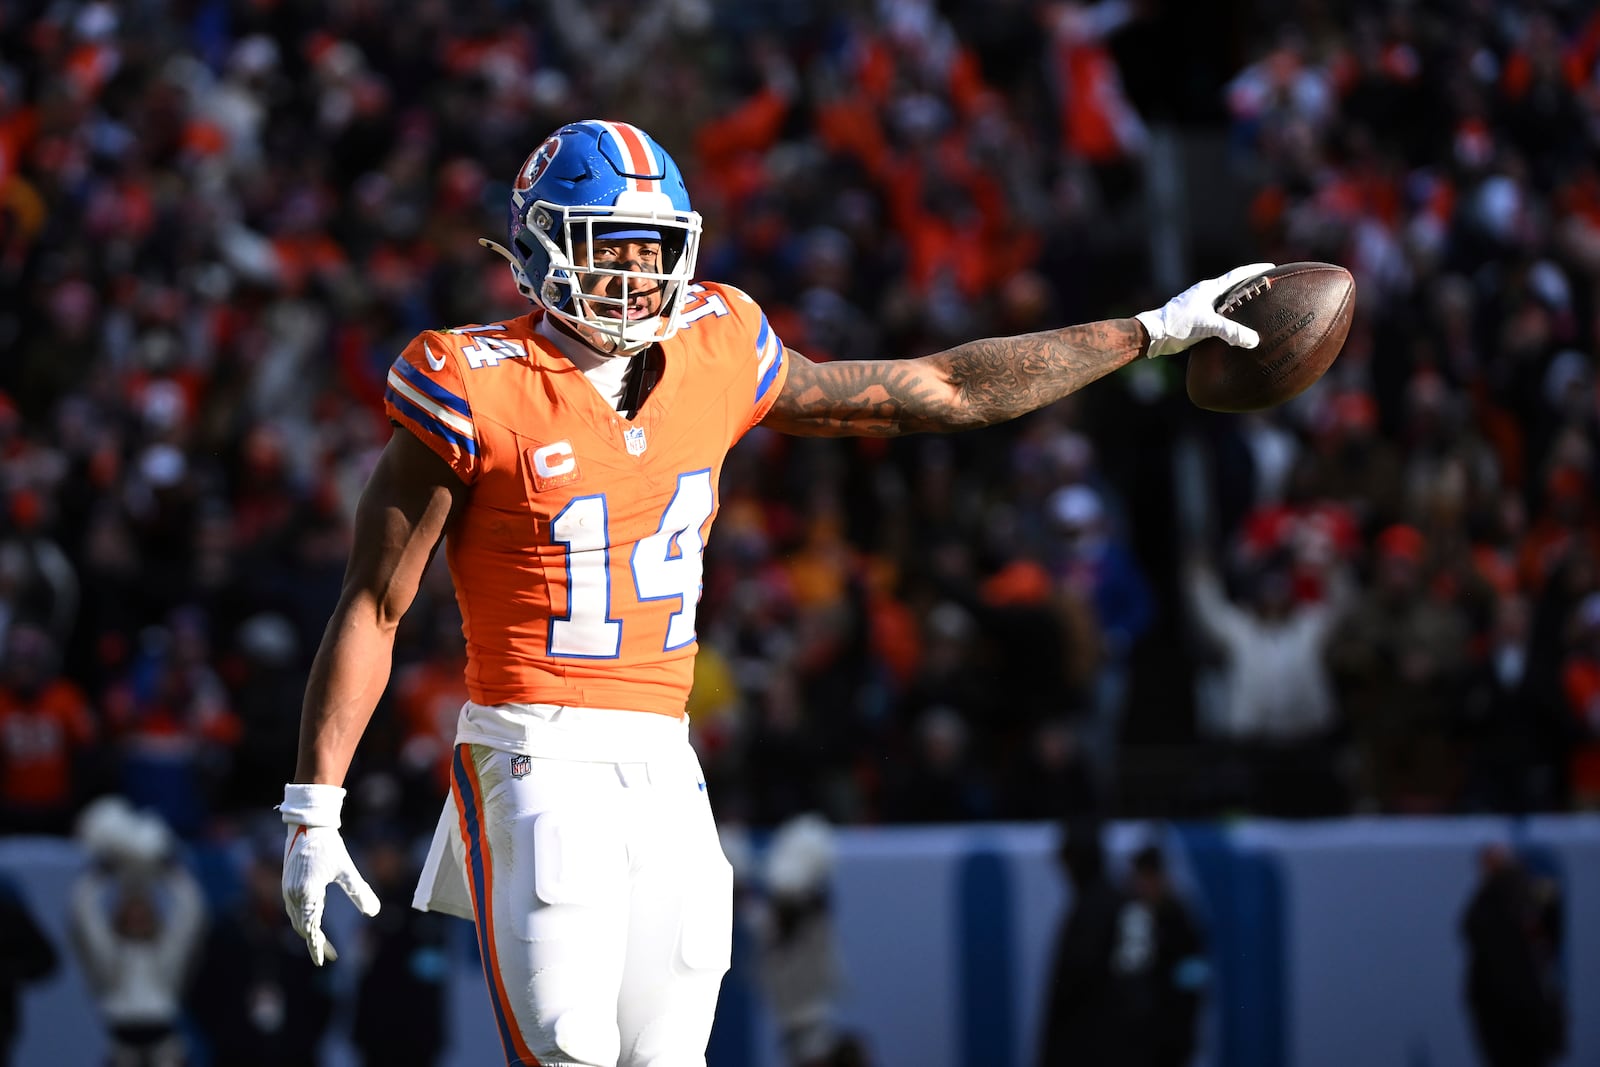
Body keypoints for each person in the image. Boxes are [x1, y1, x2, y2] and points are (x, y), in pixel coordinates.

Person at [276, 117, 1272, 1067]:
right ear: (540, 246)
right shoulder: (469, 375)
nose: (632, 272)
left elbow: (946, 389)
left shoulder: (719, 341)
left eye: (649, 247)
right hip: (532, 750)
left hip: (666, 762)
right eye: (606, 245)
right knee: (570, 1049)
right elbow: (374, 602)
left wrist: (1146, 331)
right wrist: (314, 806)